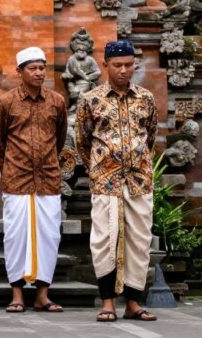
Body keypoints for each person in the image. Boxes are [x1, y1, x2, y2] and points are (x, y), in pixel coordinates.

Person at [74, 40, 158, 323]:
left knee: (139, 239)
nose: (124, 71)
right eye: (118, 65)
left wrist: (138, 162)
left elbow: (151, 137)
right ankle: (108, 301)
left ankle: (133, 302)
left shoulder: (145, 98)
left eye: (129, 65)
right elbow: (82, 141)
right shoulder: (91, 100)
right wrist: (100, 167)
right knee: (105, 239)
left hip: (139, 180)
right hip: (105, 181)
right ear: (105, 65)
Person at [0, 47, 67, 314]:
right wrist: (10, 166)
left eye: (42, 67)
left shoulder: (57, 101)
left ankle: (42, 296)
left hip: (48, 179)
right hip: (17, 178)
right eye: (32, 68)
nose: (38, 72)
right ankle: (17, 295)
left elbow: (59, 138)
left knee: (48, 236)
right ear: (19, 72)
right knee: (16, 237)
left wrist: (48, 161)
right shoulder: (6, 102)